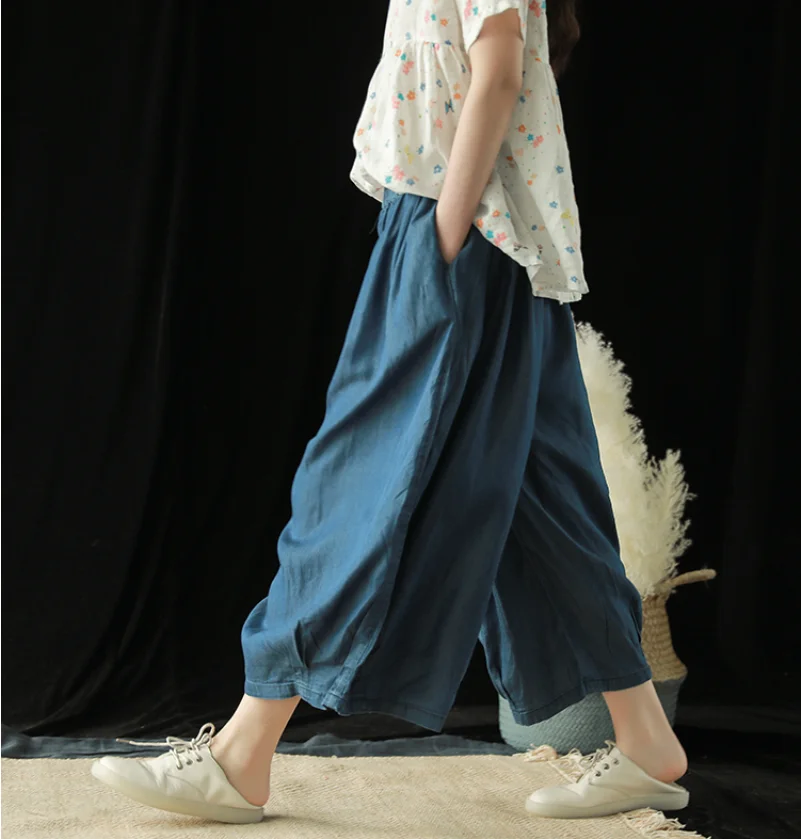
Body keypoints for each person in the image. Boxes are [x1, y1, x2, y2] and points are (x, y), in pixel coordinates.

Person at [91, 0, 690, 824]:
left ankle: (240, 755)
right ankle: (647, 739)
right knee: (546, 499)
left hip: (463, 230)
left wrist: (443, 232)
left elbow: (498, 71)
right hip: (499, 241)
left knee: (352, 484)